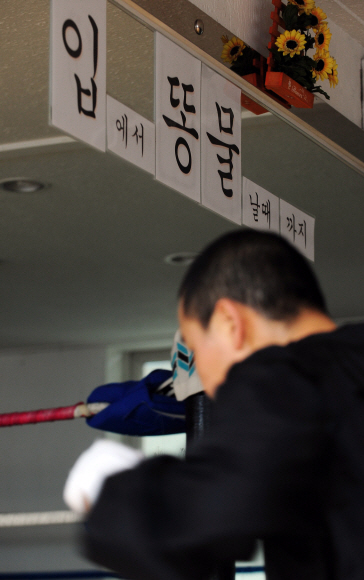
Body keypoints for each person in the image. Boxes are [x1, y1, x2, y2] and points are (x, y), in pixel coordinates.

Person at [64, 229, 364, 580]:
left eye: (194, 345)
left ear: (228, 322)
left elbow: (209, 516)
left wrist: (114, 493)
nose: (201, 375)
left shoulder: (282, 375)